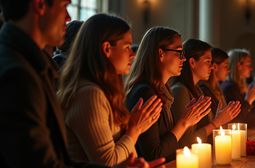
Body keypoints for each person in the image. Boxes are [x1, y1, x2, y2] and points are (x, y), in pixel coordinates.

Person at [0, 0, 163, 167]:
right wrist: (133, 131)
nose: (68, 16)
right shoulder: (18, 73)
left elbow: (60, 160)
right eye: (64, 6)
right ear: (40, 5)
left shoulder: (34, 65)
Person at [57, 13, 163, 167]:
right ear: (107, 48)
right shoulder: (89, 94)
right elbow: (106, 163)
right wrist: (134, 129)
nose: (133, 54)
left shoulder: (103, 90)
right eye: (127, 47)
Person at [125, 27, 211, 161]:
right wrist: (184, 123)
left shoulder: (163, 91)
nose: (183, 59)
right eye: (179, 52)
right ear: (161, 53)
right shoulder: (146, 93)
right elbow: (154, 154)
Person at [170, 41, 240, 146]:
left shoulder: (197, 90)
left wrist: (219, 118)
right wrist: (216, 123)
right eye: (208, 62)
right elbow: (184, 141)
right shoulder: (180, 91)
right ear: (192, 62)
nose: (211, 67)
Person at [221, 49, 255, 123]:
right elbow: (237, 119)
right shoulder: (229, 88)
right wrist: (249, 101)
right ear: (239, 65)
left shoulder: (241, 86)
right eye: (248, 65)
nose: (251, 68)